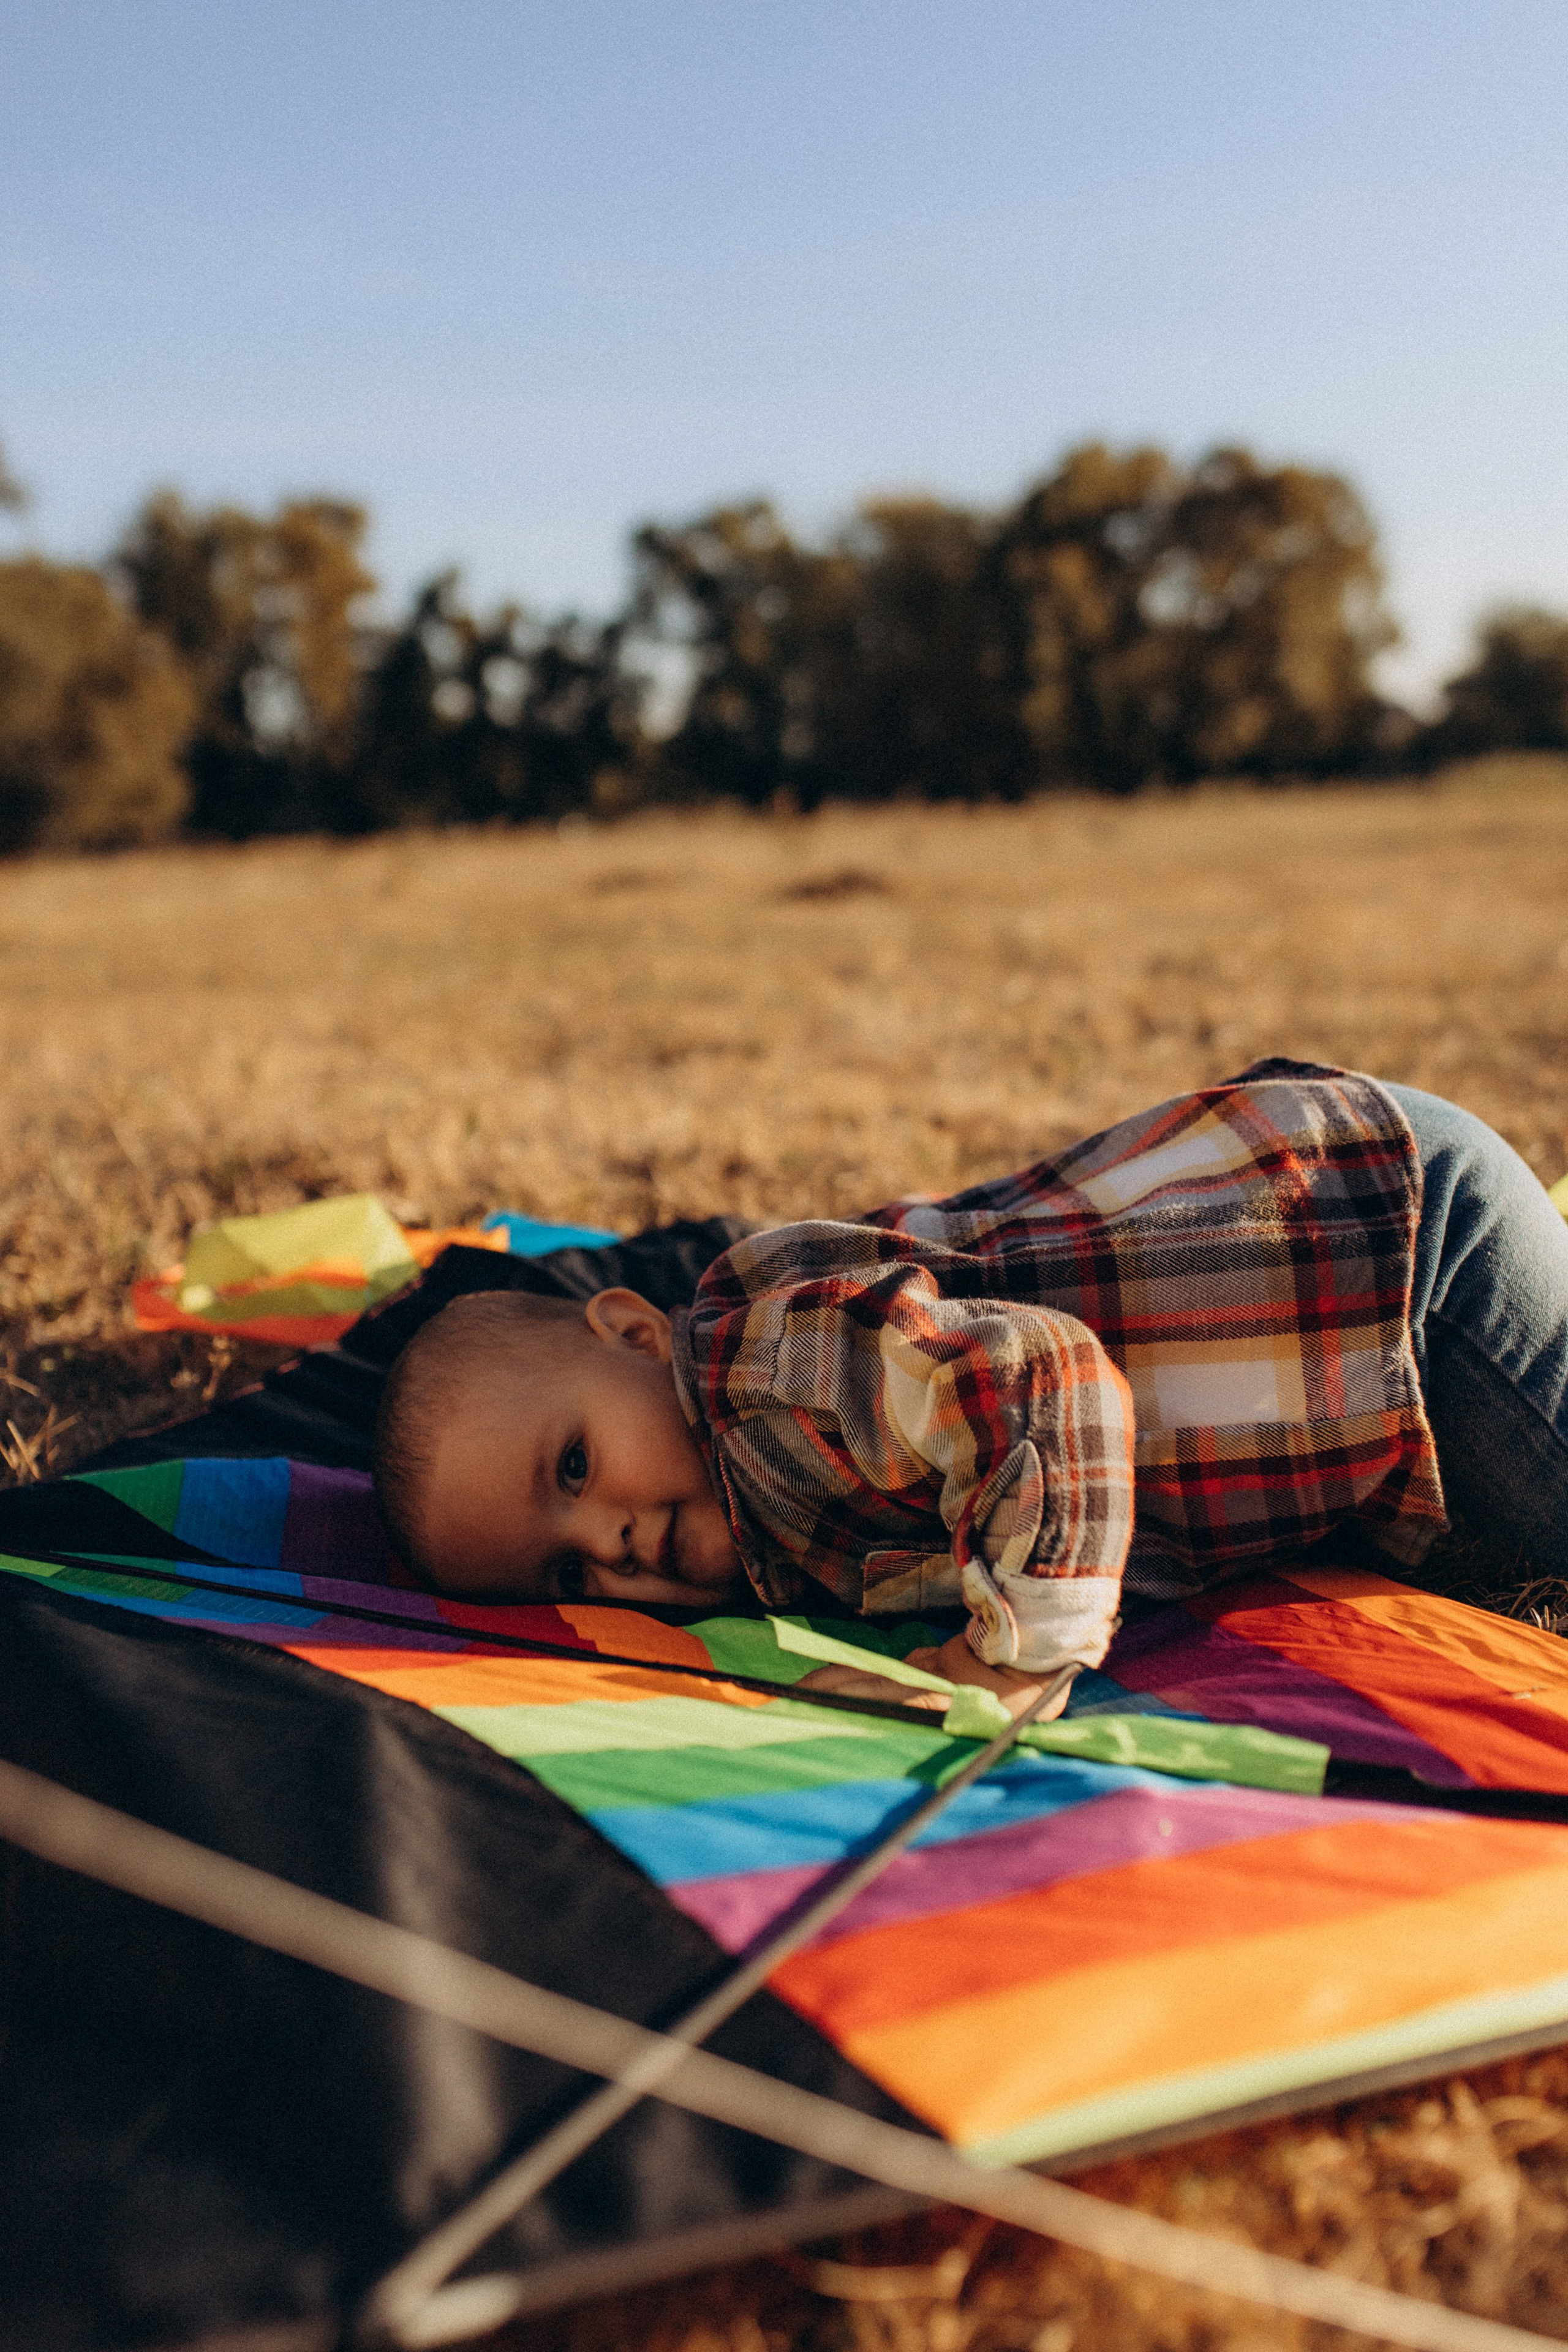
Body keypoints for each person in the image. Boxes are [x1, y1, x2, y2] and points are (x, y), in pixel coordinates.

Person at [372, 1060, 1568, 1722]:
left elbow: (1048, 1383)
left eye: (573, 1468)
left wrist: (1018, 1654)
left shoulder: (776, 1375)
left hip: (1392, 1260)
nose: (609, 1539)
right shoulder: (768, 1519)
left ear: (633, 1332)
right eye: (565, 1570)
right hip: (1346, 1334)